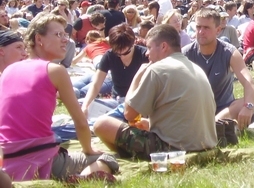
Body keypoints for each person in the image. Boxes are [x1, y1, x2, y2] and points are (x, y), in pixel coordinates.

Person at [0, 14, 118, 182]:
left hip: (8, 160)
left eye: (65, 35)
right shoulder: (55, 70)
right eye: (58, 35)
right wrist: (88, 149)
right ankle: (79, 178)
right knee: (108, 159)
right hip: (41, 158)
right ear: (39, 38)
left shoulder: (8, 72)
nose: (65, 40)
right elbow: (81, 122)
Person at [93, 24, 217, 158]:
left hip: (173, 148)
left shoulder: (157, 69)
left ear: (163, 46)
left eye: (149, 47)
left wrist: (137, 77)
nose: (146, 53)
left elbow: (129, 114)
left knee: (102, 124)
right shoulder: (195, 67)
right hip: (205, 144)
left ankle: (129, 156)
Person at [183, 8, 254, 130]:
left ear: (218, 30)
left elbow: (249, 82)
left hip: (224, 108)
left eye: (206, 28)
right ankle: (217, 127)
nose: (201, 32)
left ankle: (214, 126)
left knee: (245, 102)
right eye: (198, 27)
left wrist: (249, 107)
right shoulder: (186, 53)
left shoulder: (229, 52)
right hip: (196, 109)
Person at [81, 24, 149, 116]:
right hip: (117, 100)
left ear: (133, 43)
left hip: (137, 102)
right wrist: (85, 106)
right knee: (81, 103)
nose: (121, 56)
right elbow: (96, 84)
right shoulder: (109, 55)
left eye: (126, 53)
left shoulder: (144, 55)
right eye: (117, 53)